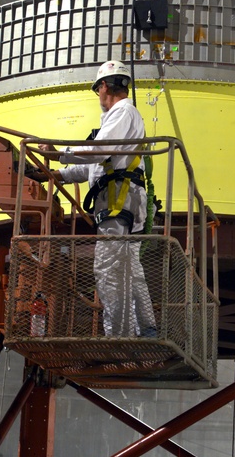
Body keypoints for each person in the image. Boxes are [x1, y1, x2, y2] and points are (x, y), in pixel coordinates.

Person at [44, 60, 157, 339]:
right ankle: (146, 329)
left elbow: (97, 152)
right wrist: (58, 173)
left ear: (104, 86)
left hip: (118, 202)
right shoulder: (118, 120)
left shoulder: (123, 113)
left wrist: (59, 153)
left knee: (107, 269)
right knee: (130, 270)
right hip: (125, 199)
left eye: (98, 91)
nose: (99, 98)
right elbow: (94, 165)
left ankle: (118, 336)